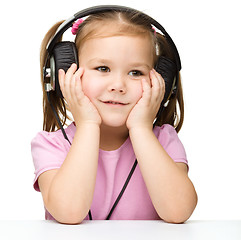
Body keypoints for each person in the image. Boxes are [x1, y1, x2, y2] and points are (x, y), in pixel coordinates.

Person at [31, 6, 197, 224]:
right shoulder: (51, 145)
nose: (118, 85)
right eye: (102, 68)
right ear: (66, 71)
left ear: (162, 83)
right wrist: (88, 124)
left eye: (135, 72)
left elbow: (178, 212)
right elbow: (69, 213)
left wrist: (141, 129)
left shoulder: (163, 140)